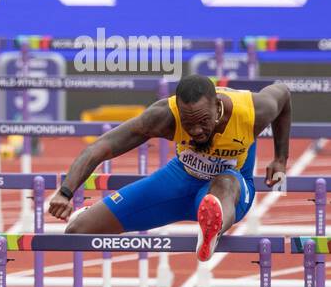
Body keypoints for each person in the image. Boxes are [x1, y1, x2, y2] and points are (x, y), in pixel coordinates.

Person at [48, 75, 291, 260]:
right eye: (188, 124)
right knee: (78, 231)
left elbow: (284, 94)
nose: (196, 131)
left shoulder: (253, 110)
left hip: (231, 187)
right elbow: (101, 146)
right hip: (179, 180)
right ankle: (209, 223)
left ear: (217, 106)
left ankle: (212, 231)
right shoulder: (164, 115)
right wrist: (65, 191)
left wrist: (280, 158)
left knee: (224, 183)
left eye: (203, 122)